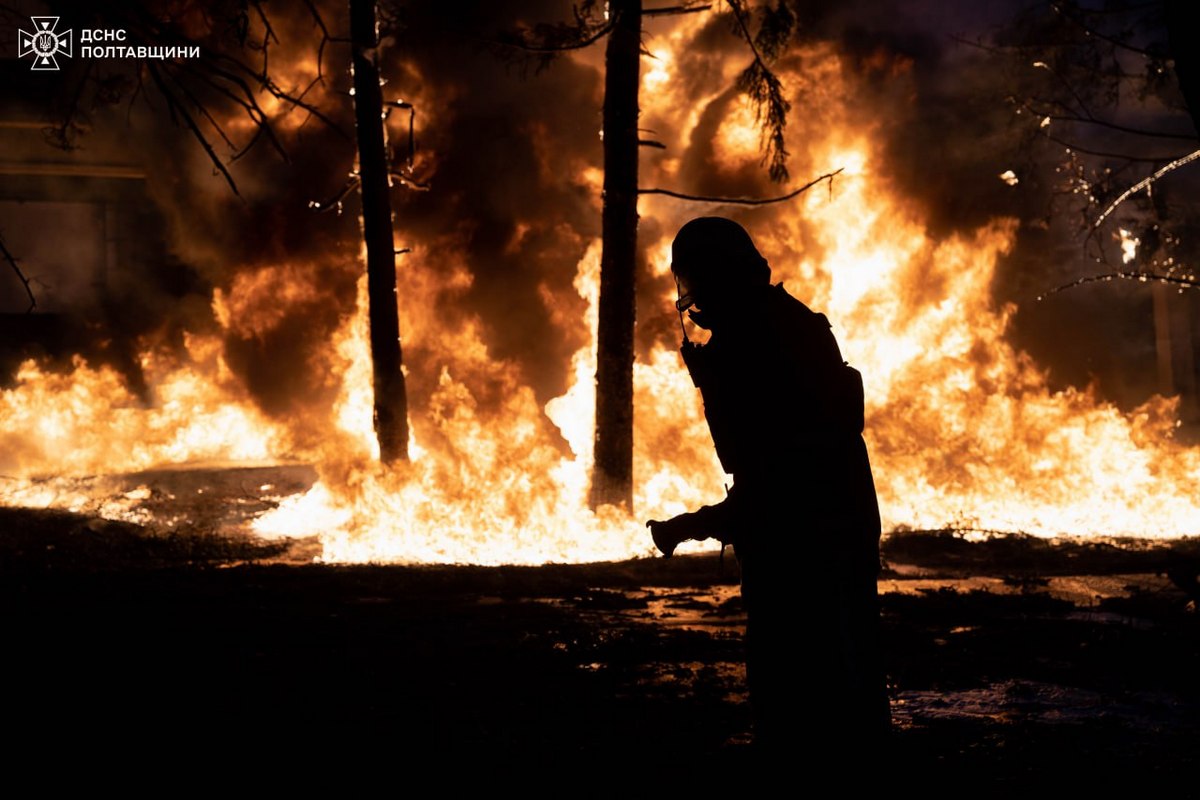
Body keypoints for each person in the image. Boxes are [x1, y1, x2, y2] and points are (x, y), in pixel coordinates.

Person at [646, 216, 890, 757]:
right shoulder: (785, 325)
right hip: (833, 529)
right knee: (848, 676)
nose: (692, 300)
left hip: (805, 544)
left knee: (801, 692)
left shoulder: (753, 344)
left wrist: (699, 523)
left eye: (695, 280)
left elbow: (782, 473)